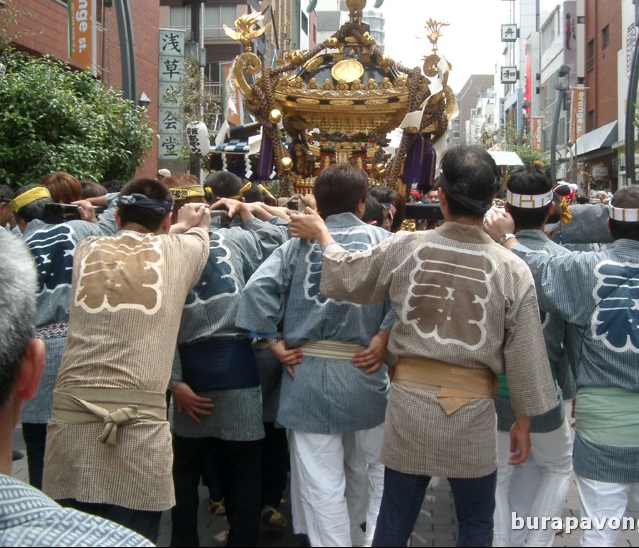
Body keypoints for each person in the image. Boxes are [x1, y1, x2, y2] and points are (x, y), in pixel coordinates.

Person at [288, 146, 558, 547]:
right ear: (490, 204)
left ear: (442, 197)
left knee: (396, 518)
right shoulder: (511, 267)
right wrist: (523, 418)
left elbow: (348, 276)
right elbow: (526, 354)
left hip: (410, 401)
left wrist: (325, 234)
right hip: (474, 406)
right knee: (476, 521)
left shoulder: (406, 247)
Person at [484, 185, 639, 547]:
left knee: (600, 529)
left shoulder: (584, 268)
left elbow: (537, 266)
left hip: (599, 423)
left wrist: (505, 237)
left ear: (609, 227)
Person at [0, 211, 152, 547]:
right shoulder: (115, 542)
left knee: (40, 453)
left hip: (41, 340)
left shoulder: (25, 240)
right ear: (30, 369)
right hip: (82, 351)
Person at [41, 179, 211, 543]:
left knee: (74, 536)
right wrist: (194, 219)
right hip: (137, 434)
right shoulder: (184, 250)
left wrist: (169, 222)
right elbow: (198, 234)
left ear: (116, 216)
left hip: (70, 430)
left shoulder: (87, 248)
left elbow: (141, 241)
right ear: (166, 221)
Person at [237, 163, 394, 547]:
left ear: (318, 202)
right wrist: (386, 335)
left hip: (306, 373)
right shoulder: (384, 241)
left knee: (321, 482)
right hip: (365, 370)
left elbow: (255, 293)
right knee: (368, 471)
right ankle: (361, 538)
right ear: (362, 203)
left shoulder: (295, 246)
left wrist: (273, 344)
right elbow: (407, 292)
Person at [167, 181, 289, 547]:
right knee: (244, 475)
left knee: (184, 478)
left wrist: (174, 383)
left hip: (188, 372)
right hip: (238, 370)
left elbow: (159, 321)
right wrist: (250, 214)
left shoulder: (163, 249)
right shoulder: (235, 241)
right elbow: (277, 242)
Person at [490, 164, 574, 548]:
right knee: (557, 466)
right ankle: (537, 541)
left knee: (498, 477)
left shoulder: (489, 257)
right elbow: (575, 335)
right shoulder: (564, 261)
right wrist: (576, 393)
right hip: (547, 388)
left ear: (507, 207)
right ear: (551, 209)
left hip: (493, 388)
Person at [11, 184, 109, 490]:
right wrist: (92, 216)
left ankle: (44, 513)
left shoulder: (14, 245)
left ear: (21, 221)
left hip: (34, 351)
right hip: (83, 347)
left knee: (39, 448)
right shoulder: (82, 228)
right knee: (84, 442)